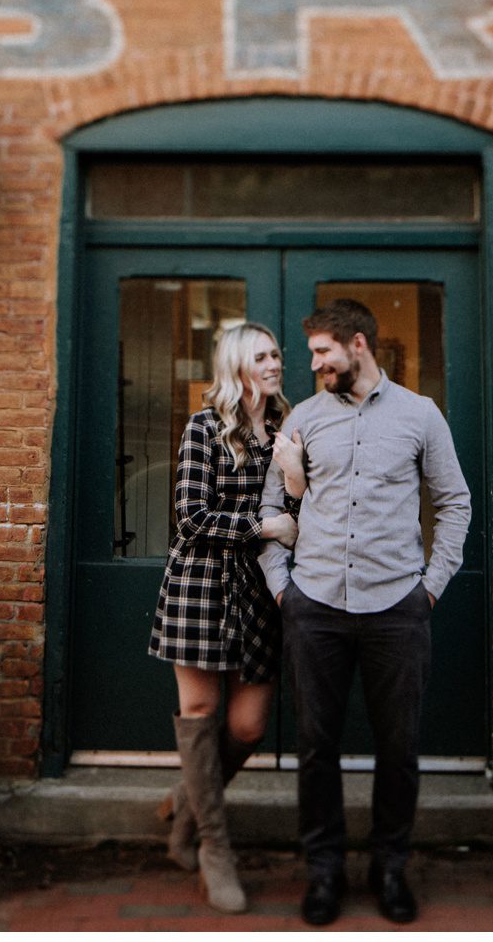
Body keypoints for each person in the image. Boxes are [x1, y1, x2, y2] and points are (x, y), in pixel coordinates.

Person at [259, 298, 472, 927]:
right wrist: (282, 589)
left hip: (396, 608)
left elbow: (454, 503)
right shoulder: (305, 417)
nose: (316, 365)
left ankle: (390, 868)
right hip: (315, 606)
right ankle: (323, 872)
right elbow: (275, 509)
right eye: (313, 356)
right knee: (316, 746)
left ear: (358, 344)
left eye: (323, 353)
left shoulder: (420, 415)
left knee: (399, 747)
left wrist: (429, 586)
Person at [146, 321, 303, 914]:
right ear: (238, 364)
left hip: (261, 591)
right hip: (200, 585)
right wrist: (260, 526)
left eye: (277, 354)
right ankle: (214, 846)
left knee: (246, 728)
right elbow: (190, 517)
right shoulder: (204, 427)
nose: (274, 363)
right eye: (262, 355)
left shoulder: (288, 430)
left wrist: (293, 475)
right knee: (201, 712)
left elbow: (298, 509)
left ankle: (188, 800)